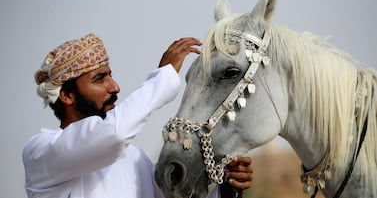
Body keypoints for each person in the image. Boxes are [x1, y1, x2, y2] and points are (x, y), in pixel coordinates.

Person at [22, 33, 253, 198]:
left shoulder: (134, 159)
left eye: (110, 76)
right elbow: (114, 134)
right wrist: (162, 78)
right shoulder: (41, 153)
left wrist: (223, 183)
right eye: (99, 79)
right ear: (67, 95)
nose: (114, 87)